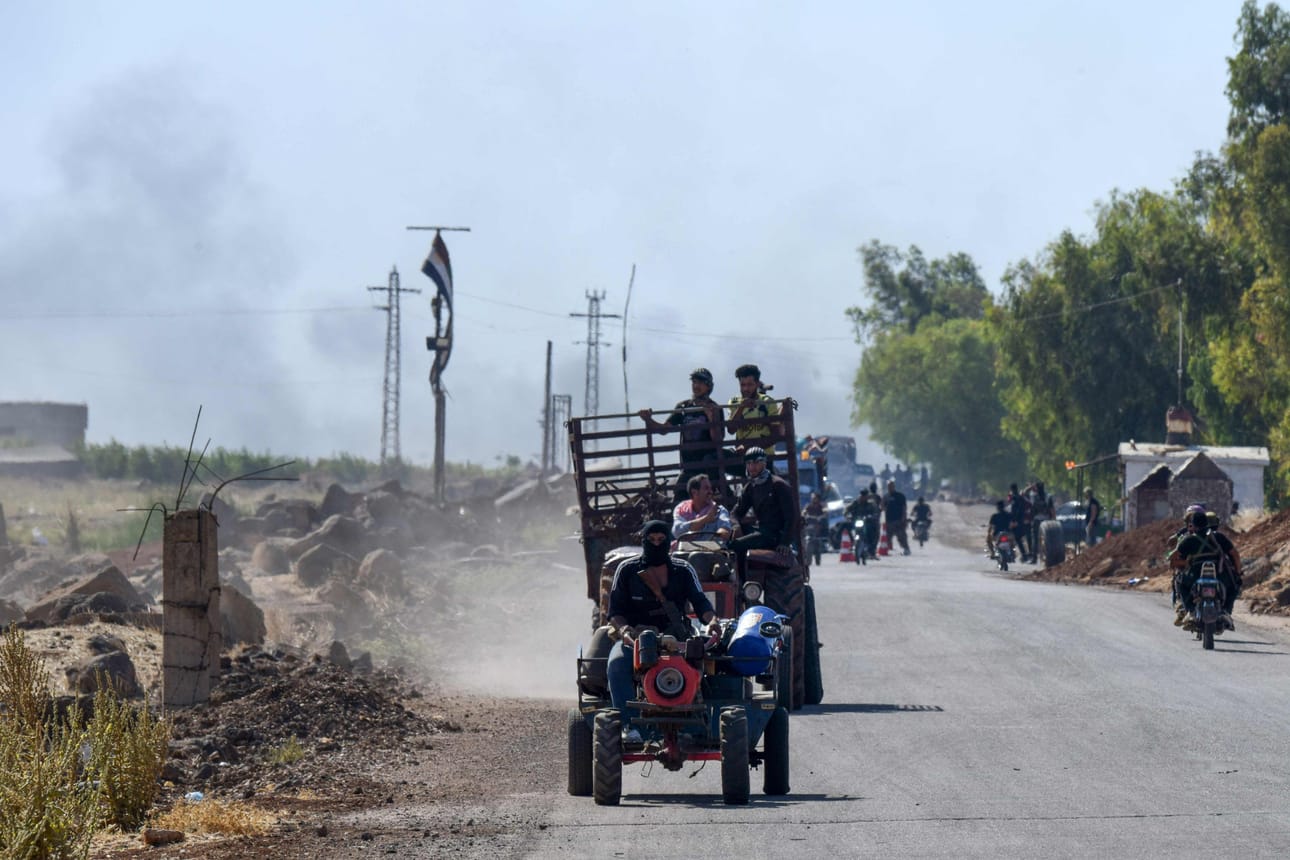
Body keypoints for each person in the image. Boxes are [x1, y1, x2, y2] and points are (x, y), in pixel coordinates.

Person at [606, 521, 721, 740]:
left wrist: (713, 621)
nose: (656, 544)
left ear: (669, 542)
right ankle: (630, 727)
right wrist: (625, 632)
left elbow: (701, 603)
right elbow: (614, 612)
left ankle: (695, 725)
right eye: (651, 540)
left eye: (661, 540)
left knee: (706, 664)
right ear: (643, 541)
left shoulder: (684, 570)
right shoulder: (627, 570)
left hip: (678, 639)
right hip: (637, 640)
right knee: (616, 664)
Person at [638, 367, 725, 503]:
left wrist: (711, 419)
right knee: (678, 503)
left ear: (708, 386)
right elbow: (664, 429)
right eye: (694, 382)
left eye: (700, 383)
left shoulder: (714, 408)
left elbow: (717, 439)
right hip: (688, 466)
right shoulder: (684, 407)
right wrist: (648, 419)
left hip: (708, 468)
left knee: (715, 503)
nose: (696, 386)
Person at [1169, 509, 1242, 631]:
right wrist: (1238, 573)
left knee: (1181, 584)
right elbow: (1234, 554)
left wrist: (1184, 563)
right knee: (1235, 585)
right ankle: (1226, 611)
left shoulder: (1189, 540)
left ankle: (1191, 611)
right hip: (1219, 575)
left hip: (1194, 576)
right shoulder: (1219, 537)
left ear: (1193, 525)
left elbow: (1173, 558)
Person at [730, 447, 798, 558]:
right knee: (727, 540)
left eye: (756, 462)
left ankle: (740, 575)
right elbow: (736, 513)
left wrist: (785, 542)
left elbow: (791, 517)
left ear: (764, 463)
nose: (752, 467)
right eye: (749, 463)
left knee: (736, 546)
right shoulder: (750, 487)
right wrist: (736, 526)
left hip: (775, 535)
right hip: (762, 531)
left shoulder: (778, 485)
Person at [725, 364, 780, 451]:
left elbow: (775, 435)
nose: (746, 389)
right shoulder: (734, 402)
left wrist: (750, 449)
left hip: (765, 458)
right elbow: (731, 430)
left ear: (757, 384)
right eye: (743, 385)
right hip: (743, 458)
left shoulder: (768, 402)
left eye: (750, 384)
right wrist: (741, 407)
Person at [671, 474, 733, 544]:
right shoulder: (681, 509)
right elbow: (677, 531)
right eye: (706, 488)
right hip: (686, 551)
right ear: (694, 493)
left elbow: (725, 530)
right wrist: (706, 519)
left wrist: (717, 538)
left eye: (710, 488)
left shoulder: (719, 510)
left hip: (712, 550)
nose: (711, 492)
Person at [845, 488, 881, 561]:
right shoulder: (856, 503)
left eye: (865, 496)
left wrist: (872, 516)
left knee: (873, 531)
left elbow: (876, 512)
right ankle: (852, 542)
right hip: (856, 522)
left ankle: (871, 550)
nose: (863, 497)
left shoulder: (871, 504)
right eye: (862, 496)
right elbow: (848, 509)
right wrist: (847, 514)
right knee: (845, 526)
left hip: (867, 523)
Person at [1027, 481, 1055, 563]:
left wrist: (1030, 487)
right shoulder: (1048, 496)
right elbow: (1052, 509)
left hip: (1036, 520)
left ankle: (1034, 558)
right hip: (1046, 521)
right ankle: (1046, 557)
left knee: (1035, 540)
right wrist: (1054, 520)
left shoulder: (1033, 496)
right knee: (1047, 539)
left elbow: (1023, 493)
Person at [883, 479, 910, 556]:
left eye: (891, 486)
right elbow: (882, 506)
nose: (890, 488)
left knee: (902, 536)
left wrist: (903, 518)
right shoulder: (886, 496)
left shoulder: (900, 496)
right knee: (887, 537)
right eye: (888, 486)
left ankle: (906, 549)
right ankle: (885, 550)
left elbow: (904, 508)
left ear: (894, 487)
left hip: (898, 520)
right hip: (889, 520)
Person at [1007, 482, 1032, 563]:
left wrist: (1014, 521)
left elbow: (1015, 511)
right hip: (1023, 521)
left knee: (1016, 539)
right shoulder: (1021, 497)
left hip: (1017, 522)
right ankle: (1025, 554)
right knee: (1021, 539)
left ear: (1011, 489)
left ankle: (1022, 555)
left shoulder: (1014, 498)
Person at [801, 491, 828, 566]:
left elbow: (825, 512)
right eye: (813, 498)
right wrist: (804, 514)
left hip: (818, 526)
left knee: (818, 542)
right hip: (810, 526)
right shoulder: (809, 506)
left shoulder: (821, 506)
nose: (813, 499)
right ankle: (808, 560)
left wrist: (821, 516)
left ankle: (818, 558)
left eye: (815, 498)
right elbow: (804, 511)